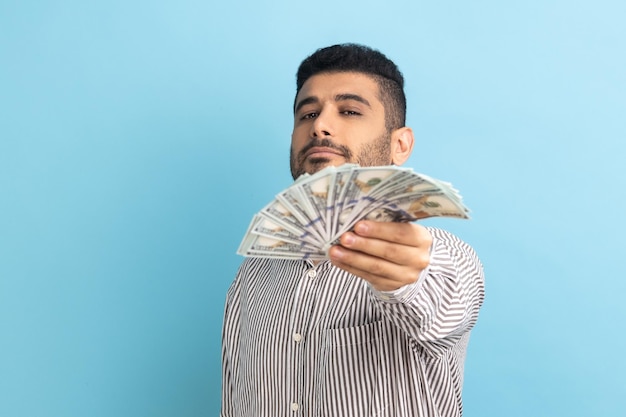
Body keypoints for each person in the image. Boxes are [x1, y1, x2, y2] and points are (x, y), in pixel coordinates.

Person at [221, 43, 485, 417]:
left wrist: (406, 276)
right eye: (307, 113)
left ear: (400, 144)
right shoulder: (254, 271)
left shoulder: (446, 257)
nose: (320, 126)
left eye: (349, 111)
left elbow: (441, 303)